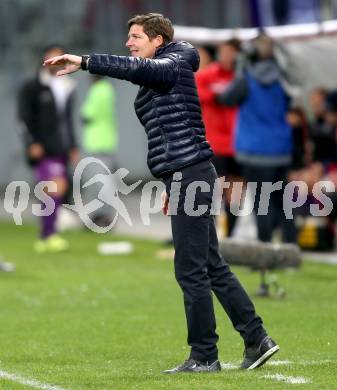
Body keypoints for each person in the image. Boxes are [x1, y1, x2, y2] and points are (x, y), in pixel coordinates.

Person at [44, 13, 279, 373]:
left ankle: (204, 355)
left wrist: (85, 60)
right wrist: (172, 182)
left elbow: (139, 69)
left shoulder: (178, 59)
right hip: (185, 175)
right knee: (211, 265)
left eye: (135, 36)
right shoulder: (165, 66)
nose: (129, 43)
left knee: (190, 269)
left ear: (158, 40)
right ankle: (257, 338)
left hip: (191, 173)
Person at [217, 33, 297, 244]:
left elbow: (226, 98)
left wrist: (240, 69)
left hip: (255, 151)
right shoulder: (282, 79)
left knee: (262, 203)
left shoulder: (246, 79)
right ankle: (291, 247)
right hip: (280, 149)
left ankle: (265, 248)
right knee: (283, 202)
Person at [18, 44, 78, 253]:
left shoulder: (68, 85)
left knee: (53, 190)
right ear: (45, 58)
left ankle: (47, 235)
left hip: (61, 147)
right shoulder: (33, 86)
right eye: (51, 55)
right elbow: (24, 118)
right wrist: (31, 143)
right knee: (55, 187)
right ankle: (48, 235)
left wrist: (73, 145)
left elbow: (67, 120)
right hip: (43, 148)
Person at [196, 39, 242, 237]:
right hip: (216, 144)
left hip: (239, 144)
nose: (226, 56)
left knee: (236, 193)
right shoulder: (207, 76)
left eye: (231, 52)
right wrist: (220, 96)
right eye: (223, 52)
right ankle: (210, 237)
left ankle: (230, 236)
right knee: (215, 192)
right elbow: (199, 94)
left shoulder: (242, 76)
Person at [81, 75, 119, 227]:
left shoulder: (97, 90)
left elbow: (86, 114)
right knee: (105, 181)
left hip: (97, 142)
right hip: (107, 140)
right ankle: (102, 216)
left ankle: (102, 216)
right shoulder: (109, 89)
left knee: (98, 182)